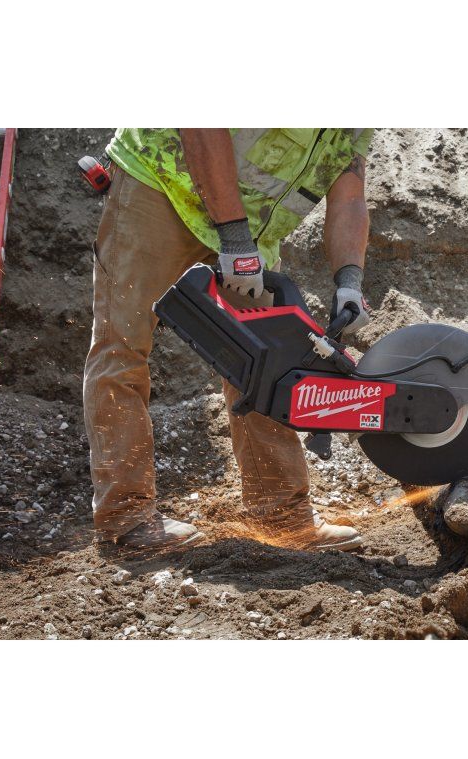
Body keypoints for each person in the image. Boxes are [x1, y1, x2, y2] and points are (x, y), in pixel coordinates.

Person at [84, 129, 375, 553]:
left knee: (270, 359)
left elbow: (349, 197)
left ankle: (281, 517)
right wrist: (236, 239)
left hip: (249, 226)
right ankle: (126, 518)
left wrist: (349, 280)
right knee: (122, 346)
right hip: (162, 184)